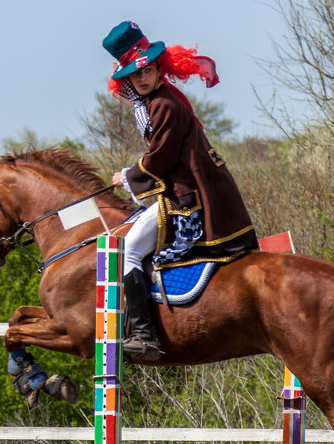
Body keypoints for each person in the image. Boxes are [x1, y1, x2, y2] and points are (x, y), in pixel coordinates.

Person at [102, 21, 259, 360]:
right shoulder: (157, 101)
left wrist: (128, 177)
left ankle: (144, 337)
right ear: (127, 80)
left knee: (127, 249)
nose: (143, 78)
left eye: (148, 70)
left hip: (189, 194)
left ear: (159, 68)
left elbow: (160, 157)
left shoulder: (164, 105)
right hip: (184, 187)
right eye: (135, 74)